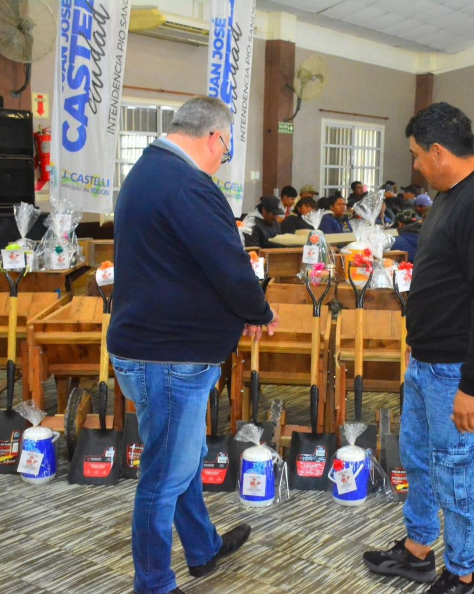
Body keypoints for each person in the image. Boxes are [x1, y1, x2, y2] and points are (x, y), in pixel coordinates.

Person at [108, 96, 279, 594]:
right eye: (226, 148)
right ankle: (154, 584)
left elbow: (185, 263)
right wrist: (258, 310)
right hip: (168, 355)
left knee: (177, 457)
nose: (223, 157)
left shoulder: (149, 170)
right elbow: (226, 262)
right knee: (164, 475)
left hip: (154, 347)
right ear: (214, 137)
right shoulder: (187, 183)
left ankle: (202, 548)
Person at [362, 102, 474, 594]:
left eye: (416, 155)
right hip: (428, 361)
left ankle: (462, 573)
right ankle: (418, 549)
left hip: (457, 370)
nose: (414, 165)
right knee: (421, 461)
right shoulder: (451, 194)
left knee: (459, 473)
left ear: (438, 151)